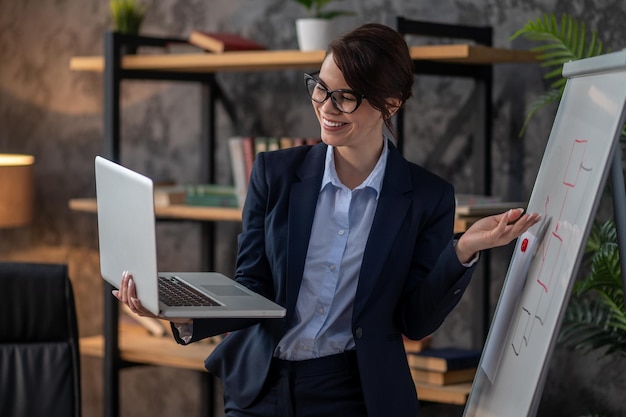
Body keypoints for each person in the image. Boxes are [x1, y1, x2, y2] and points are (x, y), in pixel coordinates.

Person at [115, 23, 540, 417]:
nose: (326, 106)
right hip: (260, 386)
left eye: (345, 97)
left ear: (389, 104)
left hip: (352, 392)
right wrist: (181, 312)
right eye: (319, 88)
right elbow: (253, 285)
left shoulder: (426, 197)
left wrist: (462, 250)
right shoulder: (275, 174)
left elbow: (415, 321)